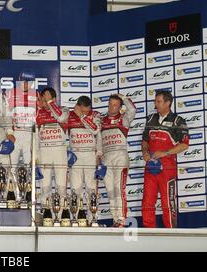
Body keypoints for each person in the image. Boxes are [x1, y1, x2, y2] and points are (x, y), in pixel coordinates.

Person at [141, 90, 189, 228]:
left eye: (159, 101)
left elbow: (184, 145)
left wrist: (165, 152)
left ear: (168, 103)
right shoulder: (150, 119)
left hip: (167, 168)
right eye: (155, 101)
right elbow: (145, 140)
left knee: (168, 202)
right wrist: (144, 152)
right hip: (150, 167)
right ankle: (149, 233)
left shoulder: (178, 120)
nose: (155, 104)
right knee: (147, 202)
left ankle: (171, 233)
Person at [101, 94, 136, 227]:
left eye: (115, 104)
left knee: (118, 189)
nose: (111, 107)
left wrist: (124, 98)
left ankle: (121, 220)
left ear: (120, 107)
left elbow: (132, 109)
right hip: (106, 158)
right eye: (110, 104)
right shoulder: (102, 120)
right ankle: (115, 220)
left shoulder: (124, 119)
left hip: (120, 157)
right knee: (110, 190)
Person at [36, 87, 69, 211]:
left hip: (59, 151)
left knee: (61, 185)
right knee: (45, 185)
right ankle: (47, 214)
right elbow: (34, 135)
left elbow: (61, 119)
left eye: (47, 99)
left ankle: (62, 215)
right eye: (43, 100)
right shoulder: (39, 112)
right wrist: (36, 156)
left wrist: (50, 103)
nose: (44, 102)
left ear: (54, 99)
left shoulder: (63, 110)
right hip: (44, 151)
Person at [67, 96, 102, 206]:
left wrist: (82, 116)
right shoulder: (69, 115)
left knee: (91, 188)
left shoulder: (95, 114)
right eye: (83, 110)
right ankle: (76, 218)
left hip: (90, 154)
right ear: (78, 106)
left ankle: (93, 219)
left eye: (87, 110)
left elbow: (96, 130)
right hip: (75, 155)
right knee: (75, 188)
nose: (86, 112)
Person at [4, 71, 40, 167]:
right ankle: (11, 182)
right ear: (19, 80)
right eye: (24, 81)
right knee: (11, 165)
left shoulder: (37, 95)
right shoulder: (10, 93)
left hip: (30, 134)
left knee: (30, 165)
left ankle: (29, 181)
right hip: (15, 133)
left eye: (29, 82)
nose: (26, 84)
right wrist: (9, 132)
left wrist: (36, 135)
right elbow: (6, 116)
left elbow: (39, 116)